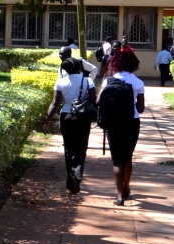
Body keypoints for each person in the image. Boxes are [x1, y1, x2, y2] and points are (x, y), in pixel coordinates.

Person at [101, 50, 146, 206]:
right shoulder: (138, 82)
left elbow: (100, 102)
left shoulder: (108, 81)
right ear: (134, 64)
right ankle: (126, 188)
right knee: (128, 157)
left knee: (117, 160)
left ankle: (119, 196)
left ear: (115, 64)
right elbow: (140, 108)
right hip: (132, 122)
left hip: (113, 122)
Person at [45, 57, 95, 194]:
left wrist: (46, 120)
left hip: (66, 117)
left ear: (65, 70)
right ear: (79, 68)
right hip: (82, 118)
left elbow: (54, 103)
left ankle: (70, 179)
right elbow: (94, 100)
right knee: (81, 148)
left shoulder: (60, 82)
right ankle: (77, 177)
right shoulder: (87, 81)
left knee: (68, 149)